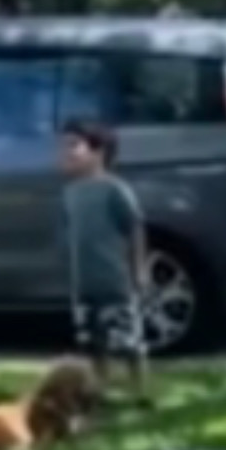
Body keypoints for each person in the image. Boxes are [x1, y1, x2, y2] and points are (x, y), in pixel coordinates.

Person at [59, 118, 149, 402]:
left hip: (114, 281)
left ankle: (141, 390)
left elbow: (135, 228)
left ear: (98, 152)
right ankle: (100, 390)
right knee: (91, 343)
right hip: (84, 284)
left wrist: (139, 270)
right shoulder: (69, 193)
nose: (66, 152)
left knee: (127, 341)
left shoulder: (114, 189)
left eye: (74, 145)